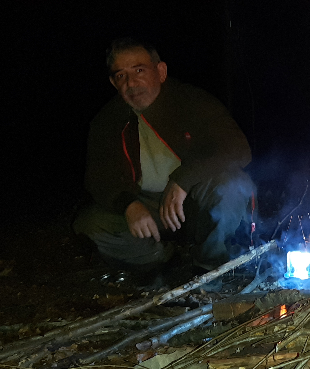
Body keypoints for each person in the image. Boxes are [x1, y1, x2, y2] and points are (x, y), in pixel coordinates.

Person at [74, 37, 254, 280]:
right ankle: (159, 261)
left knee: (233, 186)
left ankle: (210, 266)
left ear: (161, 71)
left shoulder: (192, 101)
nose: (131, 83)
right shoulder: (106, 121)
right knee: (92, 223)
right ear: (113, 82)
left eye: (139, 70)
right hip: (149, 208)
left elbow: (237, 148)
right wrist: (128, 204)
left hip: (194, 202)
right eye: (121, 75)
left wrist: (182, 181)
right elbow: (98, 177)